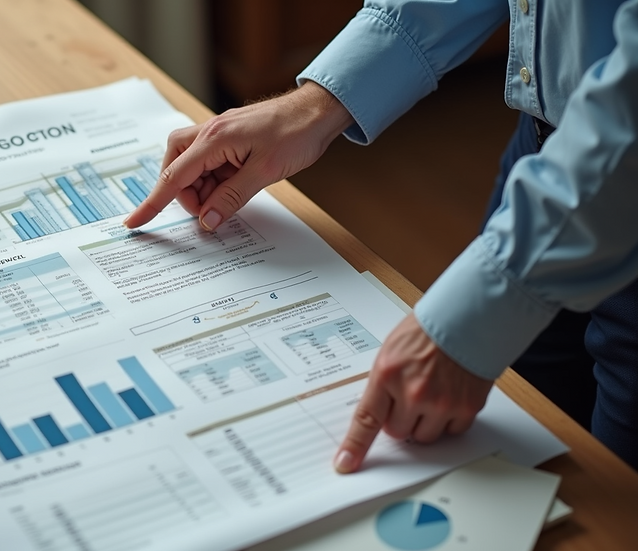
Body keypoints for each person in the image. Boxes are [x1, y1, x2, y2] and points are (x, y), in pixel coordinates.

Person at [124, 0, 638, 472]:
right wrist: (316, 104)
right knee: (522, 450)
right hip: (546, 149)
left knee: (614, 503)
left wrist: (496, 299)